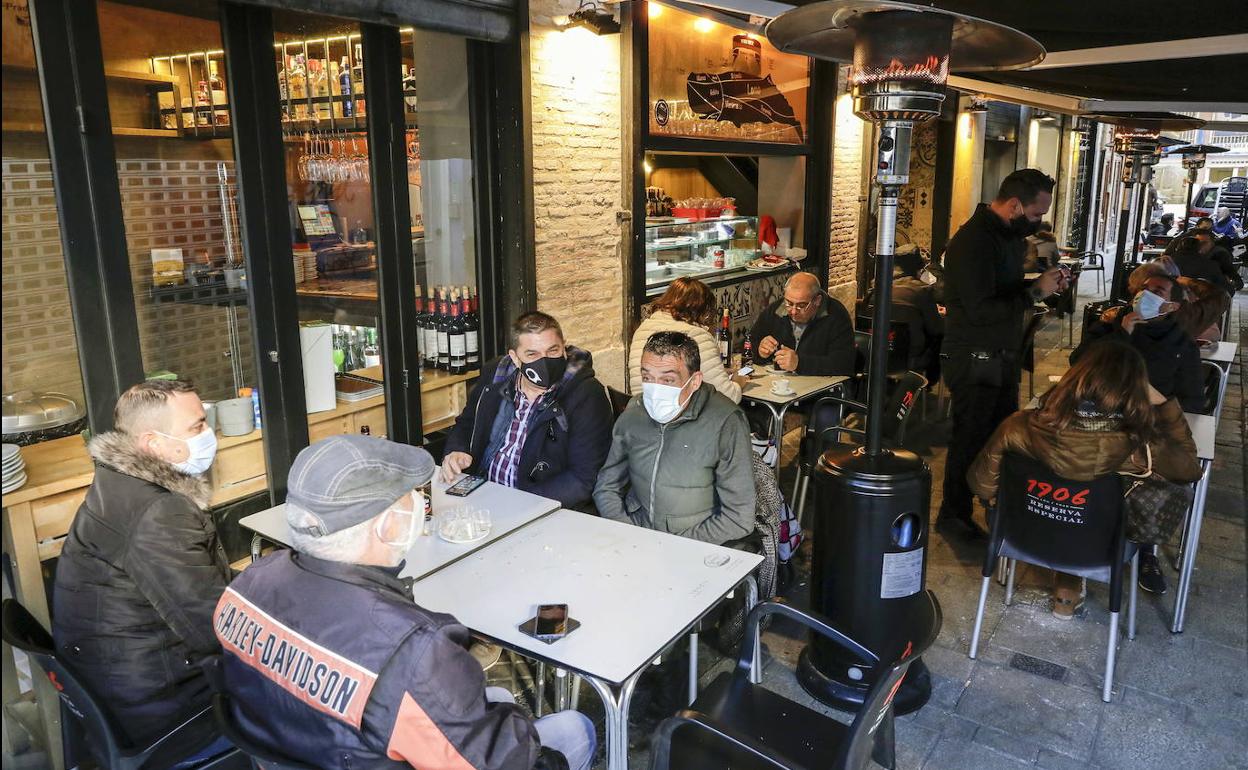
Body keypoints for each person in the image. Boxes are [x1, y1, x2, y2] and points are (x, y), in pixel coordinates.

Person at [214, 435, 594, 769]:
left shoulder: (248, 584)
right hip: (376, 741)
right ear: (385, 525)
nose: (419, 503)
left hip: (309, 747)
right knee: (574, 729)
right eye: (412, 496)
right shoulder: (415, 650)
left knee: (490, 697)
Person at [53, 380, 232, 761]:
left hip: (120, 687)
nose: (209, 435)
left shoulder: (117, 483)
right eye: (197, 426)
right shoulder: (159, 512)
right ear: (153, 444)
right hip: (167, 714)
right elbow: (214, 627)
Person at [970, 342, 1201, 609]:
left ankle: (1065, 580)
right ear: (1135, 390)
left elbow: (982, 485)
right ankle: (1071, 582)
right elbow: (1190, 469)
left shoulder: (1018, 425)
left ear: (1076, 377)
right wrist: (1161, 403)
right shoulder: (1143, 446)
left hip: (1020, 535)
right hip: (1101, 550)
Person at [937, 169, 1070, 539]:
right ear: (1014, 205)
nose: (1039, 222)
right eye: (1035, 214)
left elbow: (1004, 290)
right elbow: (980, 310)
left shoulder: (1007, 236)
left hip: (1002, 355)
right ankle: (953, 514)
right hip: (974, 357)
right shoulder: (974, 242)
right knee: (971, 437)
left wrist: (1041, 285)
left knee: (1001, 436)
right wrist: (1033, 293)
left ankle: (991, 504)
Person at [594, 331, 755, 545]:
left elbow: (738, 517)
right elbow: (606, 486)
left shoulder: (726, 423)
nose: (655, 390)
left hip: (697, 543)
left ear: (695, 381)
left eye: (668, 380)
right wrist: (627, 533)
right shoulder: (634, 413)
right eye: (647, 378)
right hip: (636, 534)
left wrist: (674, 547)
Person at [441, 311, 613, 508]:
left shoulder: (586, 395)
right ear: (514, 358)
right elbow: (466, 423)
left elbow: (583, 478)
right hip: (482, 495)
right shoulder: (496, 375)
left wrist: (523, 504)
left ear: (564, 349)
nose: (545, 361)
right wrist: (457, 451)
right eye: (532, 354)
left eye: (553, 351)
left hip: (539, 507)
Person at [1072, 268, 1205, 413]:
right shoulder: (1111, 323)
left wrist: (1156, 408)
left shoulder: (1181, 343)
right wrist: (1122, 334)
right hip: (1098, 409)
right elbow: (1077, 360)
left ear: (1172, 306)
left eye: (1157, 292)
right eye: (1144, 289)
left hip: (1146, 417)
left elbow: (1193, 401)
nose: (1145, 295)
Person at [628, 277, 746, 403]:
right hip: (679, 416)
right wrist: (738, 383)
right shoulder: (697, 335)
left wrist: (717, 372)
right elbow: (727, 397)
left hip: (641, 408)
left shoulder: (643, 328)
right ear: (703, 311)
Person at [749, 271, 855, 377]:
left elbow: (843, 365)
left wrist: (799, 363)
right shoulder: (776, 309)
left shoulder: (835, 315)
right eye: (789, 303)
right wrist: (759, 350)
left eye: (802, 305)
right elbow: (749, 343)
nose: (794, 311)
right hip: (779, 383)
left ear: (817, 300)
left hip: (820, 386)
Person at [890, 244, 944, 378]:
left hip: (880, 350)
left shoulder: (877, 286)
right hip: (911, 355)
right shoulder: (923, 290)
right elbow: (935, 328)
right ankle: (928, 382)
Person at [1172, 229, 1242, 295]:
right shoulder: (1175, 259)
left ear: (1212, 243)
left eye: (1204, 243)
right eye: (1197, 243)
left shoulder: (1219, 254)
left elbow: (1229, 271)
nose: (1200, 246)